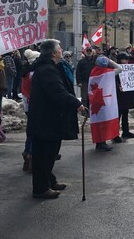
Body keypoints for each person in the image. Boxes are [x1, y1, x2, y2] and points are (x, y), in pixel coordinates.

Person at [28, 39, 85, 199]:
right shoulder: (47, 69)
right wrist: (76, 103)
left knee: (49, 153)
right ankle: (40, 188)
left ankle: (48, 181)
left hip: (48, 119)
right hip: (45, 120)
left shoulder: (51, 67)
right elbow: (57, 91)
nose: (61, 50)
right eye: (59, 48)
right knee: (44, 154)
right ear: (53, 53)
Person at [21, 49, 41, 173]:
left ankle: (28, 153)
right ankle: (31, 158)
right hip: (34, 104)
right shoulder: (33, 74)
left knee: (31, 131)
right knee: (36, 132)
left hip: (28, 104)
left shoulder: (26, 71)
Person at [114, 52, 134, 141]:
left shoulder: (129, 68)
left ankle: (125, 131)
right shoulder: (116, 69)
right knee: (117, 116)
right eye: (125, 59)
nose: (127, 60)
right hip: (119, 95)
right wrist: (118, 86)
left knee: (125, 114)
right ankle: (115, 134)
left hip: (127, 94)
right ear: (120, 59)